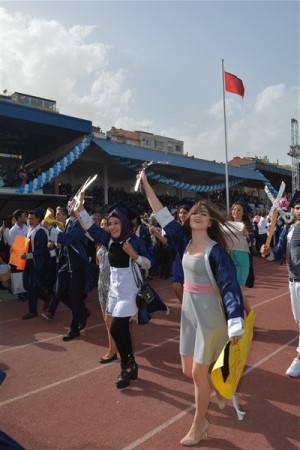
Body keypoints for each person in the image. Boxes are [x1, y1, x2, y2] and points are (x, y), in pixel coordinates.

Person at [139, 171, 244, 446]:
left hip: (210, 316)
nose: (197, 215)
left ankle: (200, 423)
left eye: (203, 213)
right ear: (187, 220)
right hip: (189, 313)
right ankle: (220, 386)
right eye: (194, 212)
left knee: (198, 373)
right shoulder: (182, 242)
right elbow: (160, 212)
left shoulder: (216, 252)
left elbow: (230, 287)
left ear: (210, 223)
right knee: (188, 369)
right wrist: (147, 184)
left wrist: (235, 321)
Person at [74, 199, 151, 389]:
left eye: (116, 223)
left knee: (116, 328)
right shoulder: (108, 240)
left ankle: (126, 367)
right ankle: (131, 366)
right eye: (110, 223)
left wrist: (134, 255)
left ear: (124, 223)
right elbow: (91, 228)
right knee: (120, 329)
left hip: (129, 294)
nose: (113, 226)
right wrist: (80, 208)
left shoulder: (134, 241)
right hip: (114, 293)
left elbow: (149, 263)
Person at [261, 191, 300, 378]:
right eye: (297, 208)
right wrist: (268, 252)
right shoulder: (289, 229)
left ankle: (299, 358)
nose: (299, 211)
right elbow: (277, 254)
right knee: (298, 321)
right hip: (292, 281)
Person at [46, 201, 95, 341]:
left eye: (73, 204)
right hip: (65, 263)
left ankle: (74, 328)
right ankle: (82, 312)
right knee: (60, 292)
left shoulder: (81, 223)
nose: (70, 206)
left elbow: (68, 240)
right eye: (69, 204)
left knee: (74, 296)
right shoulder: (68, 221)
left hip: (77, 264)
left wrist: (50, 229)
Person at [22, 208, 51, 319]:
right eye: (28, 218)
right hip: (27, 263)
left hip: (36, 263)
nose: (30, 220)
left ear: (39, 219)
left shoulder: (41, 232)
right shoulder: (29, 231)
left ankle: (32, 311)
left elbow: (42, 250)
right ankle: (46, 297)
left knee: (32, 287)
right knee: (27, 285)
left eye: (32, 218)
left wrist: (28, 256)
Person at [96, 217, 117, 363]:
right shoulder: (100, 244)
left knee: (110, 319)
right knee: (106, 318)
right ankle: (114, 347)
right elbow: (98, 262)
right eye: (102, 224)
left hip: (113, 284)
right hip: (101, 283)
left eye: (107, 225)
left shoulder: (114, 243)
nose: (104, 227)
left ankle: (112, 350)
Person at [226, 201, 254, 314]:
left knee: (238, 291)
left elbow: (252, 243)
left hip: (242, 258)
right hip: (228, 257)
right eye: (234, 209)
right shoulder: (225, 225)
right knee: (229, 290)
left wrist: (247, 236)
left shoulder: (247, 226)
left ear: (243, 213)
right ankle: (241, 315)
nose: (235, 211)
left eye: (238, 210)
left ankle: (246, 315)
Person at [173, 204, 191, 304]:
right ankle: (185, 306)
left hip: (190, 258)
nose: (182, 215)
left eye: (185, 212)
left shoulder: (192, 228)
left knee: (189, 286)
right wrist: (157, 234)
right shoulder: (176, 228)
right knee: (176, 285)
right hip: (179, 258)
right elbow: (167, 242)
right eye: (180, 212)